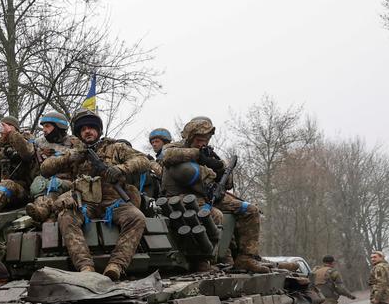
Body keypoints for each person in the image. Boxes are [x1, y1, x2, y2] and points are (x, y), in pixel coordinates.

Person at [37, 109, 149, 280]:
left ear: (98, 130)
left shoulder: (115, 147)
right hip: (84, 203)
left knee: (137, 217)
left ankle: (116, 265)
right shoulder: (75, 152)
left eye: (91, 127)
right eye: (83, 129)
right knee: (66, 217)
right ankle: (85, 267)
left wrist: (120, 169)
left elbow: (143, 161)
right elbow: (45, 169)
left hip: (114, 202)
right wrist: (69, 157)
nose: (87, 131)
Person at [159, 116, 268, 273]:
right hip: (179, 197)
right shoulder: (175, 148)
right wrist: (198, 155)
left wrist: (219, 168)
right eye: (199, 139)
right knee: (212, 215)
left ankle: (246, 258)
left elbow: (227, 183)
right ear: (190, 137)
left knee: (250, 210)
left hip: (208, 196)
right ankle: (202, 261)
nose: (203, 143)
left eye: (206, 139)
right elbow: (167, 156)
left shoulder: (210, 154)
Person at [26, 111, 77, 222]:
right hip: (46, 181)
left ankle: (43, 212)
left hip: (69, 182)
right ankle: (39, 212)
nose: (44, 129)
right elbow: (28, 152)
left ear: (59, 126)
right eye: (43, 126)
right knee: (39, 185)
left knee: (54, 184)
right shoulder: (39, 143)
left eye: (47, 126)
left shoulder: (74, 142)